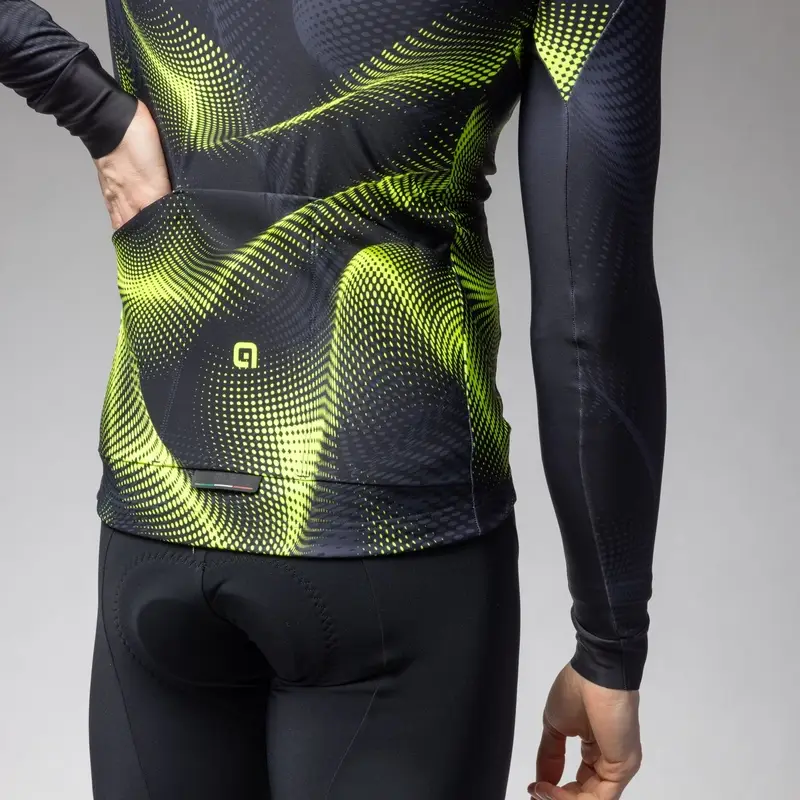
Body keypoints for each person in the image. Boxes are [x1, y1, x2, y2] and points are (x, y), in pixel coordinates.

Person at [0, 0, 668, 798]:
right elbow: (591, 307)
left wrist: (92, 106)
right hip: (398, 534)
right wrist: (610, 642)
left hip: (163, 508)